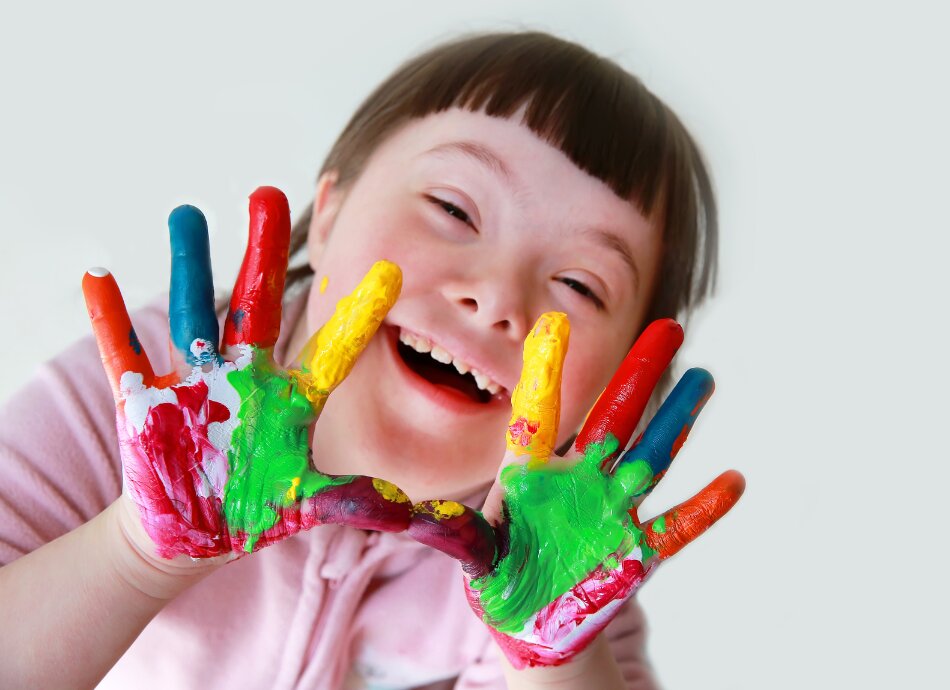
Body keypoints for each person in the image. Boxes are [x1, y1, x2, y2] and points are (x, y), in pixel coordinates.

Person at [0, 31, 742, 689]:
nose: (495, 297)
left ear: (619, 383)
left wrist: (554, 664)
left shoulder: (559, 556)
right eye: (454, 210)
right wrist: (137, 554)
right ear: (327, 214)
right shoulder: (151, 407)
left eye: (580, 285)